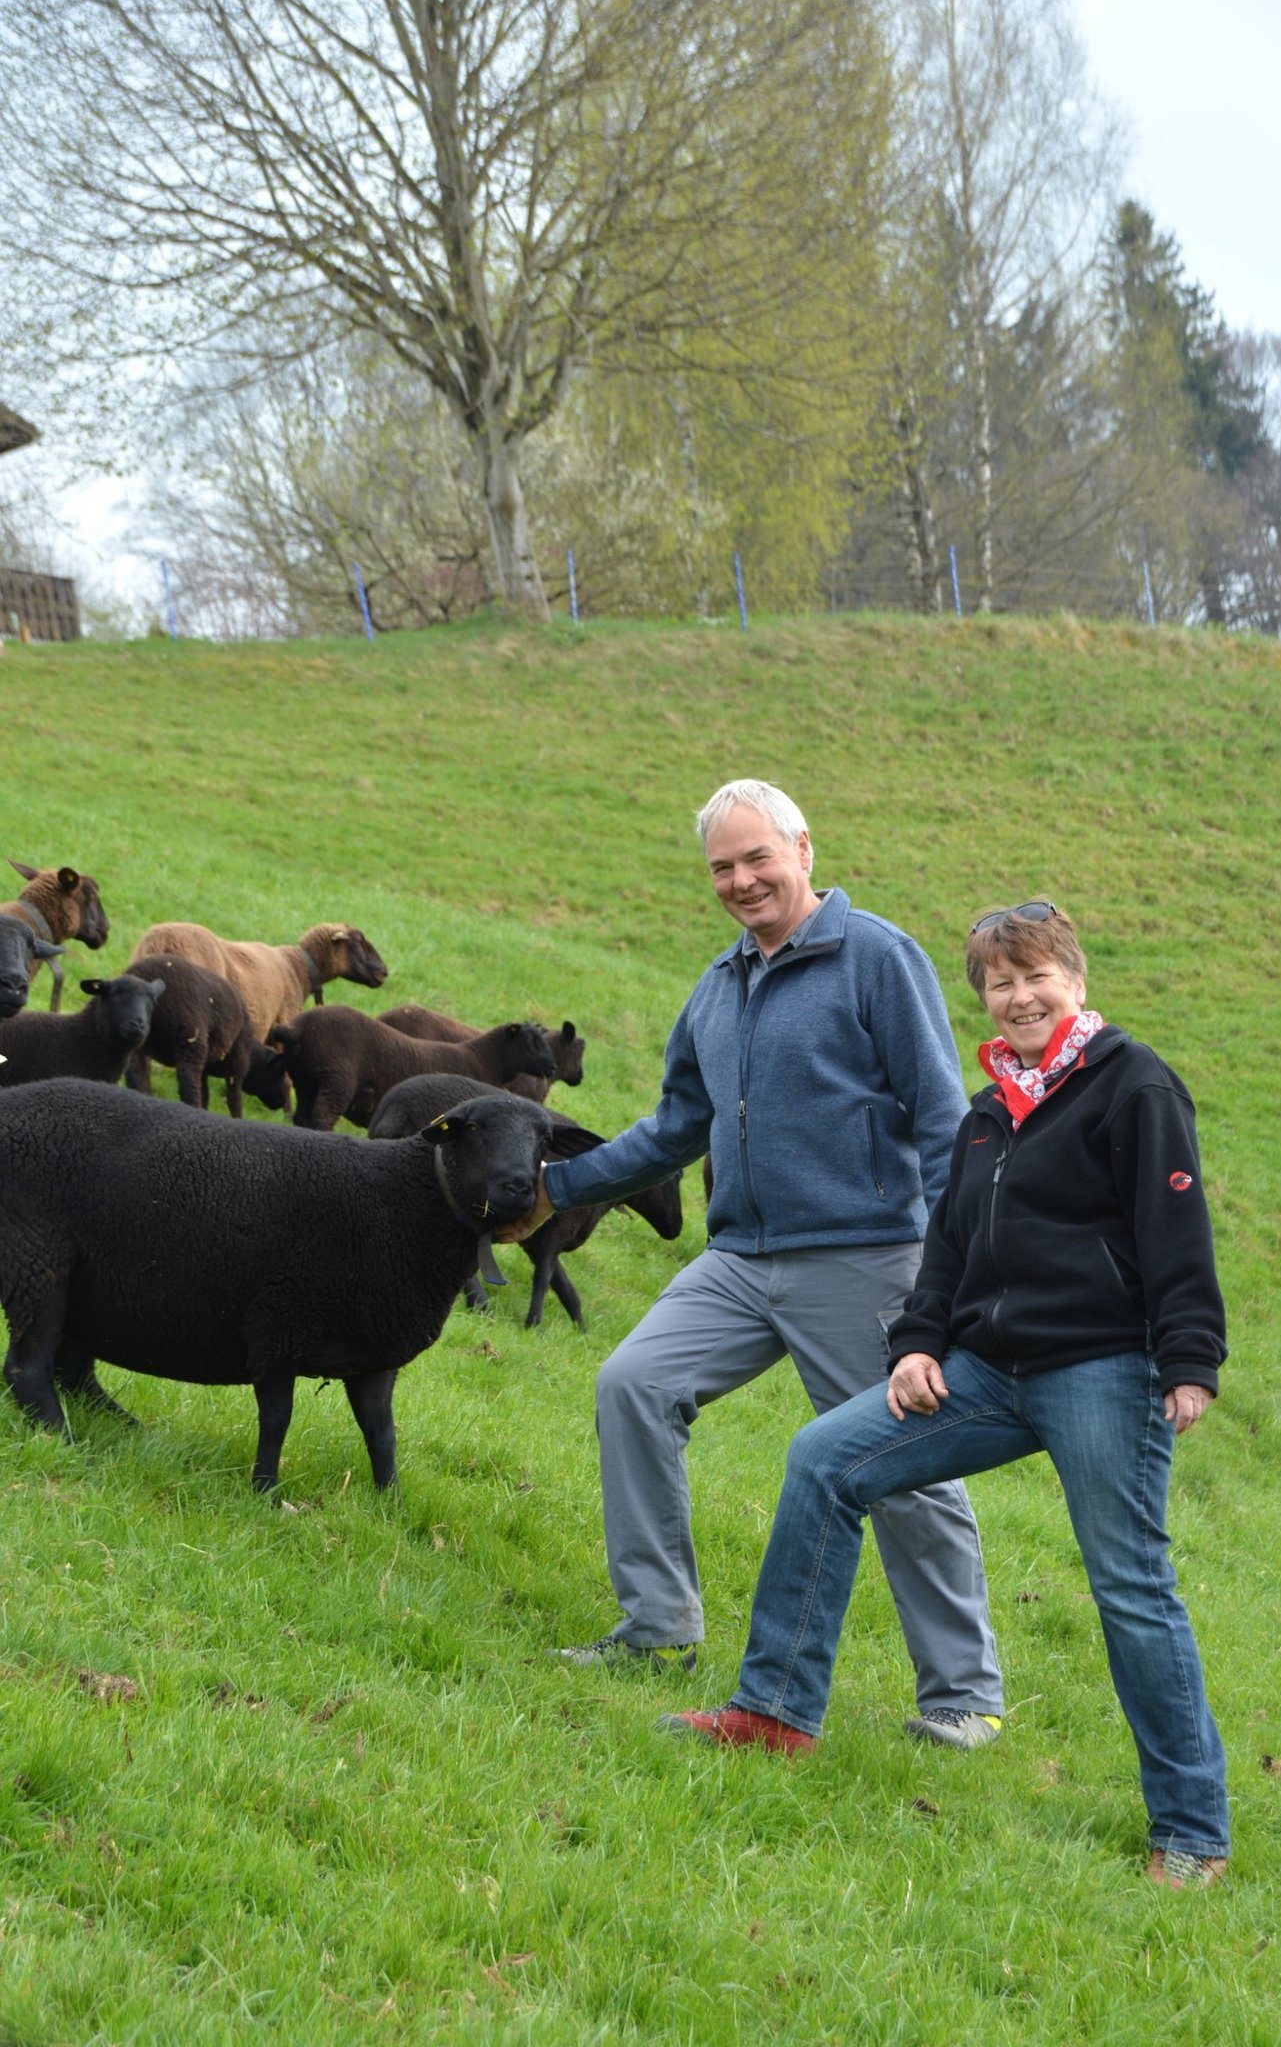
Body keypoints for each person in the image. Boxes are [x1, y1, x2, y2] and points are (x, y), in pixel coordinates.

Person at [664, 901, 1230, 1889]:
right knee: (824, 1458)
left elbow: (1172, 1225)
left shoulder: (1131, 1085)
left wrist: (1187, 1358)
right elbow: (951, 1245)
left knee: (1129, 1587)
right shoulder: (987, 1110)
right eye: (997, 982)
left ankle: (1188, 1829)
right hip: (982, 1373)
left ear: (1074, 979)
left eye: (1034, 975)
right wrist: (919, 1341)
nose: (1017, 995)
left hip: (1100, 1369)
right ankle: (771, 1714)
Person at [510, 779, 1003, 1747]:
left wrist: (956, 1270)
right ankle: (657, 1626)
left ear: (803, 849)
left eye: (755, 859)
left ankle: (962, 1693)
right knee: (631, 1382)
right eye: (721, 867)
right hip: (737, 1260)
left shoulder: (877, 958)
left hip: (864, 1259)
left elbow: (944, 1118)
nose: (740, 880)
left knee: (898, 1464)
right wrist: (559, 1188)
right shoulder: (715, 987)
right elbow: (671, 1128)